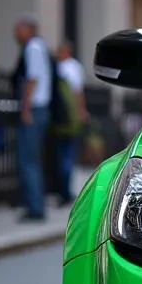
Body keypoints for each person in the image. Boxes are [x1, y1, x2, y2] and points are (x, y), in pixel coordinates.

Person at [11, 18, 53, 221]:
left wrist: (25, 109)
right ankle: (34, 204)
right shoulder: (40, 47)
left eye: (18, 29)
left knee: (28, 160)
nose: (15, 33)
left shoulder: (33, 47)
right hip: (39, 110)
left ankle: (35, 207)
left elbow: (32, 79)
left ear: (27, 30)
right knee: (32, 159)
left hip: (34, 109)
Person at [53, 40, 88, 205]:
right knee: (68, 154)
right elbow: (78, 92)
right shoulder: (73, 67)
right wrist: (81, 111)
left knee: (62, 154)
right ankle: (65, 191)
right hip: (70, 117)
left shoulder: (59, 68)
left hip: (60, 118)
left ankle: (63, 191)